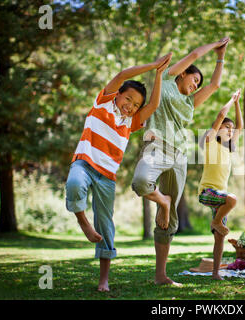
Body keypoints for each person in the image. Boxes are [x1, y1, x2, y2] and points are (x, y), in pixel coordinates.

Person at [65, 53, 172, 292]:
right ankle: (83, 221)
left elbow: (153, 105)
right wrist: (153, 64)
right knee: (74, 184)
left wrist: (159, 75)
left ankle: (104, 280)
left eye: (136, 105)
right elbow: (123, 75)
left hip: (107, 177)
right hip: (84, 163)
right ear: (119, 94)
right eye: (129, 99)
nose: (131, 106)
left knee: (105, 225)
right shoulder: (102, 102)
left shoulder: (131, 123)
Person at [131, 37, 230, 286]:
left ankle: (161, 276)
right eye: (194, 80)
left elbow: (216, 85)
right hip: (155, 147)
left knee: (171, 217)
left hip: (178, 156)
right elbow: (195, 54)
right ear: (183, 73)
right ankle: (161, 200)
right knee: (141, 181)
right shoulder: (165, 81)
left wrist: (221, 57)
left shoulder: (190, 103)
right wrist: (216, 45)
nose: (196, 86)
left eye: (198, 85)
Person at [197, 89, 243, 280]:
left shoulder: (228, 149)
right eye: (226, 127)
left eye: (230, 129)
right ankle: (216, 222)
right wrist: (231, 100)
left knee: (219, 237)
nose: (230, 130)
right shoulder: (210, 142)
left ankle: (216, 273)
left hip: (219, 197)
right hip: (207, 192)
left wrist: (238, 104)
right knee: (232, 199)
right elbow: (220, 115)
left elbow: (240, 126)